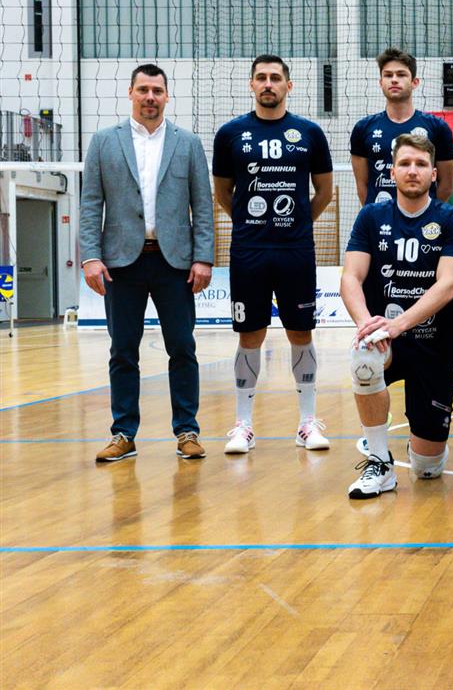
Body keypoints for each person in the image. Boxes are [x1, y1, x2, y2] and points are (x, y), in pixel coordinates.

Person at [82, 63, 215, 462]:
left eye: (157, 90)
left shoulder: (187, 143)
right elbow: (90, 204)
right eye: (143, 90)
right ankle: (123, 433)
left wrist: (203, 258)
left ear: (167, 96)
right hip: (122, 264)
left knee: (182, 348)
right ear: (131, 93)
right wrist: (90, 256)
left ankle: (187, 430)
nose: (150, 97)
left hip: (174, 264)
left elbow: (202, 206)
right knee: (123, 351)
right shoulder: (103, 142)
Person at [212, 54, 334, 454]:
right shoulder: (230, 134)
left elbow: (324, 192)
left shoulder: (310, 133)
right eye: (261, 78)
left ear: (288, 85)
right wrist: (248, 222)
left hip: (295, 250)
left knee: (301, 332)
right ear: (252, 85)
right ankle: (243, 425)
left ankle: (307, 422)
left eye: (275, 78)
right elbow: (222, 193)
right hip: (249, 250)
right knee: (250, 335)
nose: (268, 84)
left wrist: (298, 221)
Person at [340, 134, 453, 498]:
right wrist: (366, 324)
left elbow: (449, 285)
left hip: (433, 345)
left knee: (427, 469)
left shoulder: (451, 219)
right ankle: (379, 461)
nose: (413, 171)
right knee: (364, 353)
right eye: (405, 164)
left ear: (434, 174)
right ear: (392, 172)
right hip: (386, 341)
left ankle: (423, 445)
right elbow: (351, 277)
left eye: (421, 164)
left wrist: (398, 324)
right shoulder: (371, 216)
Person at [350, 47, 453, 205]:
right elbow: (362, 186)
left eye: (401, 74)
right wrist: (376, 214)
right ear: (381, 82)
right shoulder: (363, 129)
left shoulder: (438, 127)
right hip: (381, 218)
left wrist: (427, 213)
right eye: (388, 75)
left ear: (414, 82)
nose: (394, 80)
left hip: (423, 217)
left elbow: (446, 186)